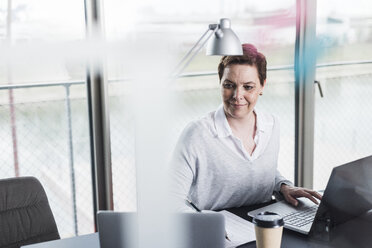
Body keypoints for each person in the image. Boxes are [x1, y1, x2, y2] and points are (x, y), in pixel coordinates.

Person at [171, 43, 322, 211]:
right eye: (229, 85)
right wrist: (204, 225)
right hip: (218, 231)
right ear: (220, 83)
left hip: (263, 225)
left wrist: (283, 186)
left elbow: (259, 171)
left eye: (248, 87)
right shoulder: (198, 133)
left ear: (262, 86)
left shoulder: (272, 125)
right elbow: (172, 200)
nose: (237, 96)